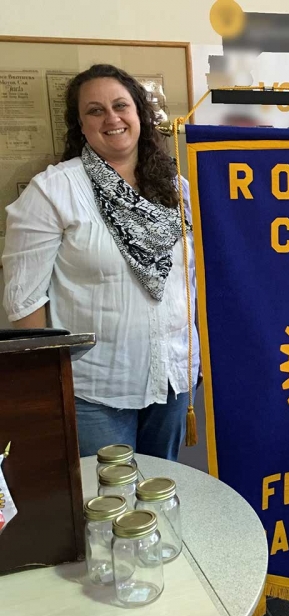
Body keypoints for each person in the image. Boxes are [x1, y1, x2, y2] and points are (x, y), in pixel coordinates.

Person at [2, 64, 199, 461]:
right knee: (108, 509)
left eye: (120, 105)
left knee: (161, 497)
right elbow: (24, 301)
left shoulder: (176, 188)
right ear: (81, 125)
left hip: (173, 379)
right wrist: (46, 388)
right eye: (95, 110)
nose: (112, 118)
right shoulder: (54, 190)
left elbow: (191, 280)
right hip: (95, 389)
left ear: (139, 114)